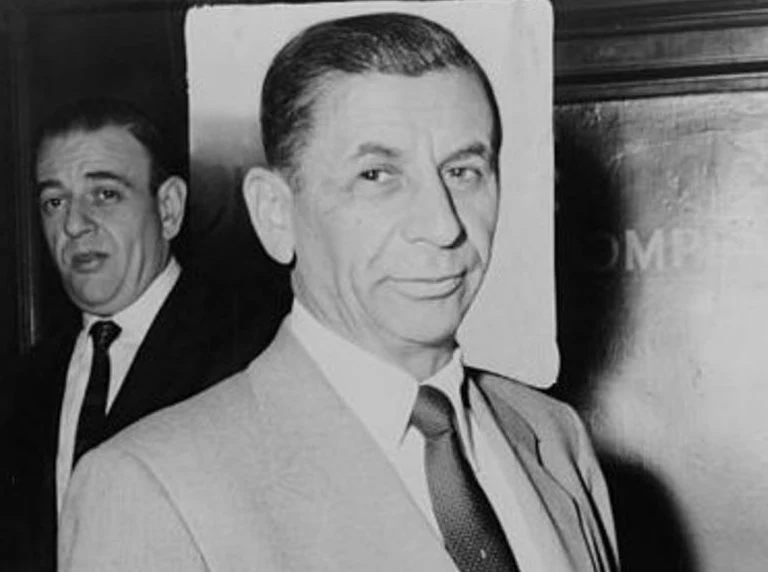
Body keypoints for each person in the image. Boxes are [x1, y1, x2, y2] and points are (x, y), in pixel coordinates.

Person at [59, 13, 619, 572]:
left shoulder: (554, 437)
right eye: (377, 175)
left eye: (463, 171)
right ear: (275, 214)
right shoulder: (150, 488)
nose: (442, 225)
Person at [2, 99, 286, 571]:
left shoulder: (254, 348)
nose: (73, 224)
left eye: (104, 194)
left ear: (169, 208)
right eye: (54, 202)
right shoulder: (25, 381)